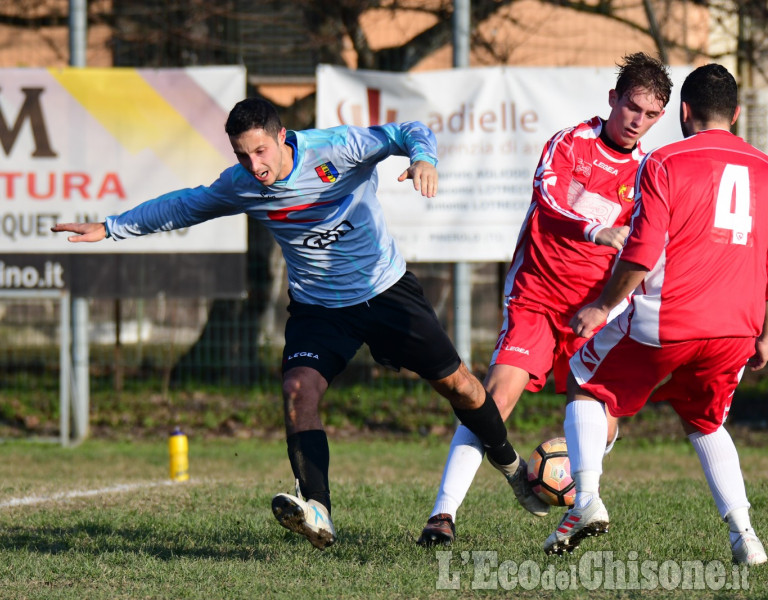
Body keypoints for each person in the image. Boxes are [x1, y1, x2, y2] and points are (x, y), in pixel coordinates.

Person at [52, 98, 534, 551]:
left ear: (283, 136)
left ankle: (510, 464)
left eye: (261, 150)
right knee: (298, 390)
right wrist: (112, 227)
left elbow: (408, 131)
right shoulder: (242, 184)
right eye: (244, 156)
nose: (255, 166)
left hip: (386, 292)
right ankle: (317, 510)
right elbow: (184, 205)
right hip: (319, 309)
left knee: (464, 389)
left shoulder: (337, 148)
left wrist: (423, 157)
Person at [418, 52, 673, 547]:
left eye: (649, 115)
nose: (637, 122)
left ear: (660, 117)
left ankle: (579, 496)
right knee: (496, 399)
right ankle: (442, 515)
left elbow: (650, 244)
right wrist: (596, 229)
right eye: (631, 108)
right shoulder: (571, 143)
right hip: (536, 296)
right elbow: (548, 199)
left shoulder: (648, 171)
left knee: (604, 419)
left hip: (595, 308)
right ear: (612, 99)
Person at [542, 64, 768, 567]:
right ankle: (746, 536)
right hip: (738, 328)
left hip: (669, 321)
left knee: (583, 378)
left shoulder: (664, 161)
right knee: (705, 421)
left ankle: (585, 501)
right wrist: (764, 334)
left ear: (683, 112)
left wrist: (602, 306)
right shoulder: (765, 167)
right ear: (734, 114)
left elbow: (642, 251)